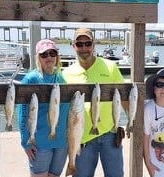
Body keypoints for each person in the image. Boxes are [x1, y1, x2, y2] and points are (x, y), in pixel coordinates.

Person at [62, 28, 126, 177]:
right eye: (79, 44)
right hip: (81, 139)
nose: (84, 48)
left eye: (88, 43)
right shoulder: (65, 74)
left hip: (110, 134)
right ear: (73, 46)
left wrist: (132, 121)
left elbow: (123, 97)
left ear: (94, 44)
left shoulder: (111, 67)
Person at [18, 39, 69, 177]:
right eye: (44, 54)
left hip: (61, 142)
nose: (49, 57)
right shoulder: (30, 79)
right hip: (40, 142)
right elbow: (22, 113)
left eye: (52, 53)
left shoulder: (61, 79)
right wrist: (25, 141)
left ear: (57, 56)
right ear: (38, 57)